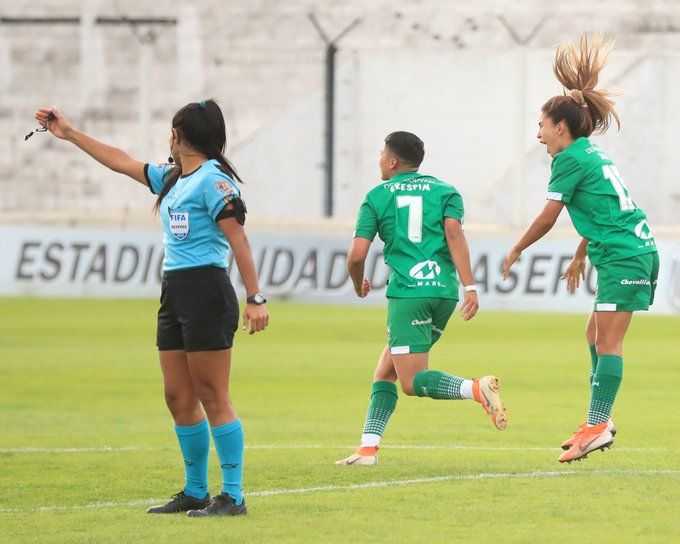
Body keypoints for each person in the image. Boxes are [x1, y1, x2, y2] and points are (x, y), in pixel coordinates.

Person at [34, 100, 269, 516]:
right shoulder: (174, 178)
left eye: (172, 132)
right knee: (178, 395)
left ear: (180, 136)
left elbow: (239, 240)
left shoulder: (214, 182)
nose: (168, 139)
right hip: (175, 291)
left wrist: (254, 298)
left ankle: (233, 495)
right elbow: (121, 161)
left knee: (212, 393)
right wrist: (68, 133)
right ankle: (196, 490)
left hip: (207, 290)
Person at [501, 34, 659, 463]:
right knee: (593, 334)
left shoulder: (569, 159)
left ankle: (597, 425)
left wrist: (516, 249)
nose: (538, 135)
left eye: (541, 125)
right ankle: (596, 421)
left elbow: (549, 216)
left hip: (626, 253)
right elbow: (602, 208)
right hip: (624, 249)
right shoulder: (590, 153)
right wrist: (579, 254)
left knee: (608, 343)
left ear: (560, 126)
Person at [336, 131, 508, 466]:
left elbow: (356, 256)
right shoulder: (446, 191)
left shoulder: (376, 196)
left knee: (412, 381)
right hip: (443, 293)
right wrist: (470, 286)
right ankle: (367, 449)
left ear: (393, 161)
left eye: (381, 154)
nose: (379, 160)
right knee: (386, 371)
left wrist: (358, 284)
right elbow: (454, 233)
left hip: (408, 295)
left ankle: (476, 389)